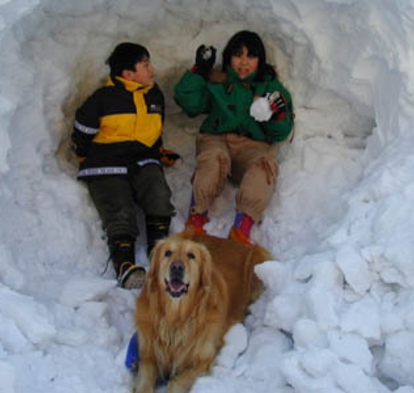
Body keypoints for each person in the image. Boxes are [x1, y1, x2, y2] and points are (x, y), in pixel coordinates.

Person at [174, 30, 294, 246]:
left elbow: (281, 132)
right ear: (229, 57)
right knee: (214, 158)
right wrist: (199, 71)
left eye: (251, 56)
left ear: (260, 60)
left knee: (263, 166)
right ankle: (196, 217)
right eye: (238, 55)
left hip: (253, 145)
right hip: (216, 137)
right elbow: (189, 103)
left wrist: (274, 115)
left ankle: (242, 228)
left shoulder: (270, 88)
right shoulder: (217, 81)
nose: (244, 62)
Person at [71, 42, 176, 289]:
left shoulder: (155, 95)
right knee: (119, 207)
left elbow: (154, 130)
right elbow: (82, 131)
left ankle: (159, 251)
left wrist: (158, 151)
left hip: (142, 160)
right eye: (145, 64)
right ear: (128, 74)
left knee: (159, 193)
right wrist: (85, 156)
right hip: (107, 164)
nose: (152, 69)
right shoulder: (103, 99)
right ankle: (125, 265)